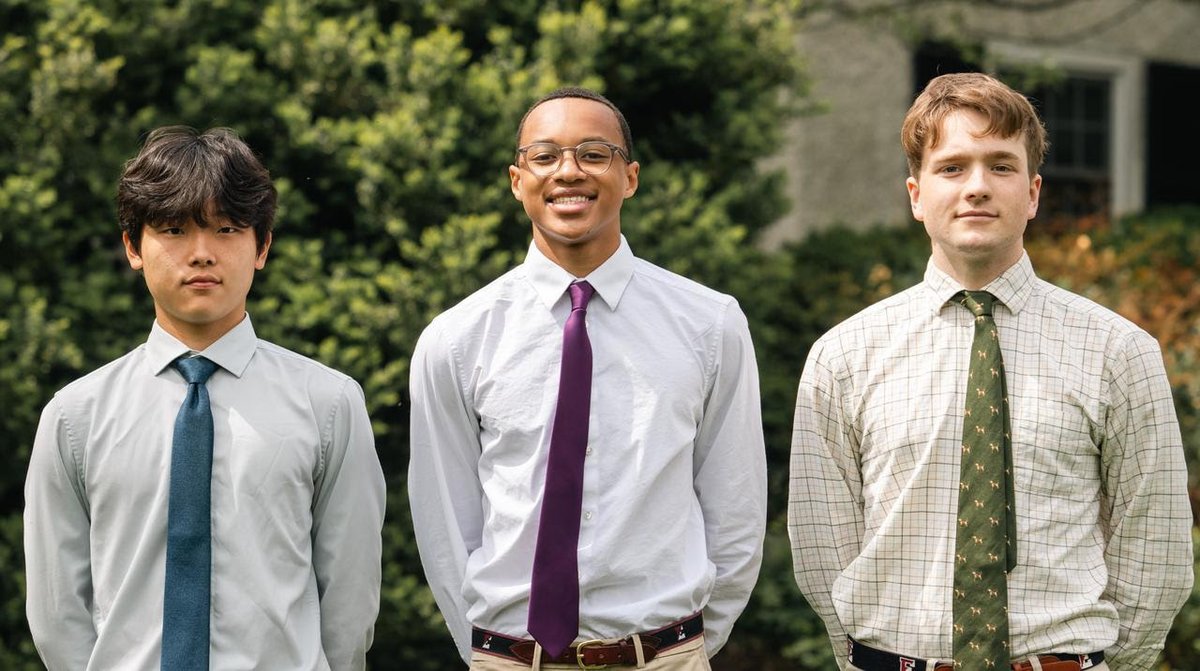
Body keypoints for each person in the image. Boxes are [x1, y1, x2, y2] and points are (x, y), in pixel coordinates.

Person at [788, 72, 1193, 671]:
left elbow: (1155, 547)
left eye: (1000, 166)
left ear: (1032, 194)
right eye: (952, 167)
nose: (977, 186)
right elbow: (823, 546)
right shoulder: (843, 356)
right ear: (915, 194)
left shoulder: (1119, 351)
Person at [408, 87, 767, 670]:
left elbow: (737, 510)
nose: (568, 171)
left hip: (665, 657)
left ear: (630, 177)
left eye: (594, 154)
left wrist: (685, 648)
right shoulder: (456, 339)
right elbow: (445, 524)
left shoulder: (709, 323)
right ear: (516, 179)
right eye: (544, 157)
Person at [24, 126, 387, 670]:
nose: (201, 254)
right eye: (173, 229)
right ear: (132, 247)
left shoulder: (329, 404)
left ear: (261, 246)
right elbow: (57, 613)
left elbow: (350, 599)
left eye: (226, 229)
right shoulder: (75, 416)